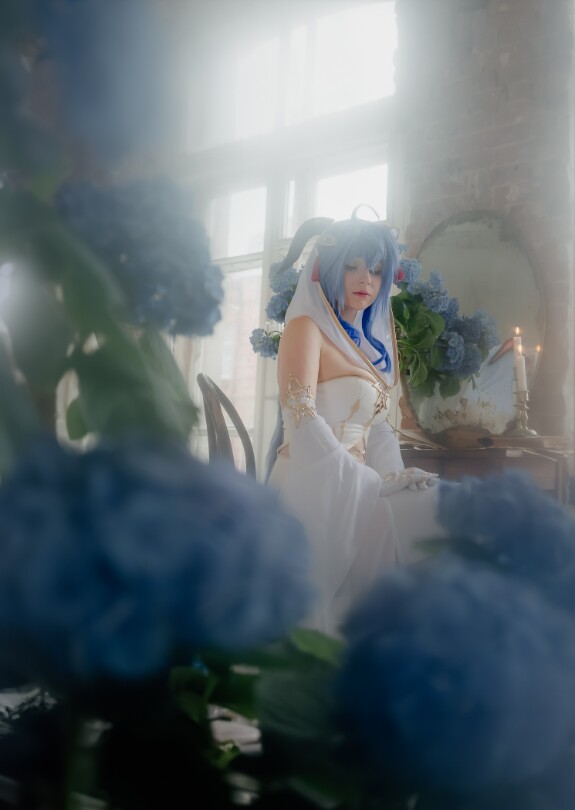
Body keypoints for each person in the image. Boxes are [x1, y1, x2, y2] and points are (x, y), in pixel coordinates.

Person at [267, 212, 445, 637]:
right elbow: (300, 417)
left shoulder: (367, 349)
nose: (367, 278)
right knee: (440, 516)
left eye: (378, 269)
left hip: (356, 484)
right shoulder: (305, 328)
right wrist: (370, 485)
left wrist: (395, 479)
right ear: (329, 268)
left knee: (439, 504)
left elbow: (379, 431)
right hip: (313, 483)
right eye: (353, 265)